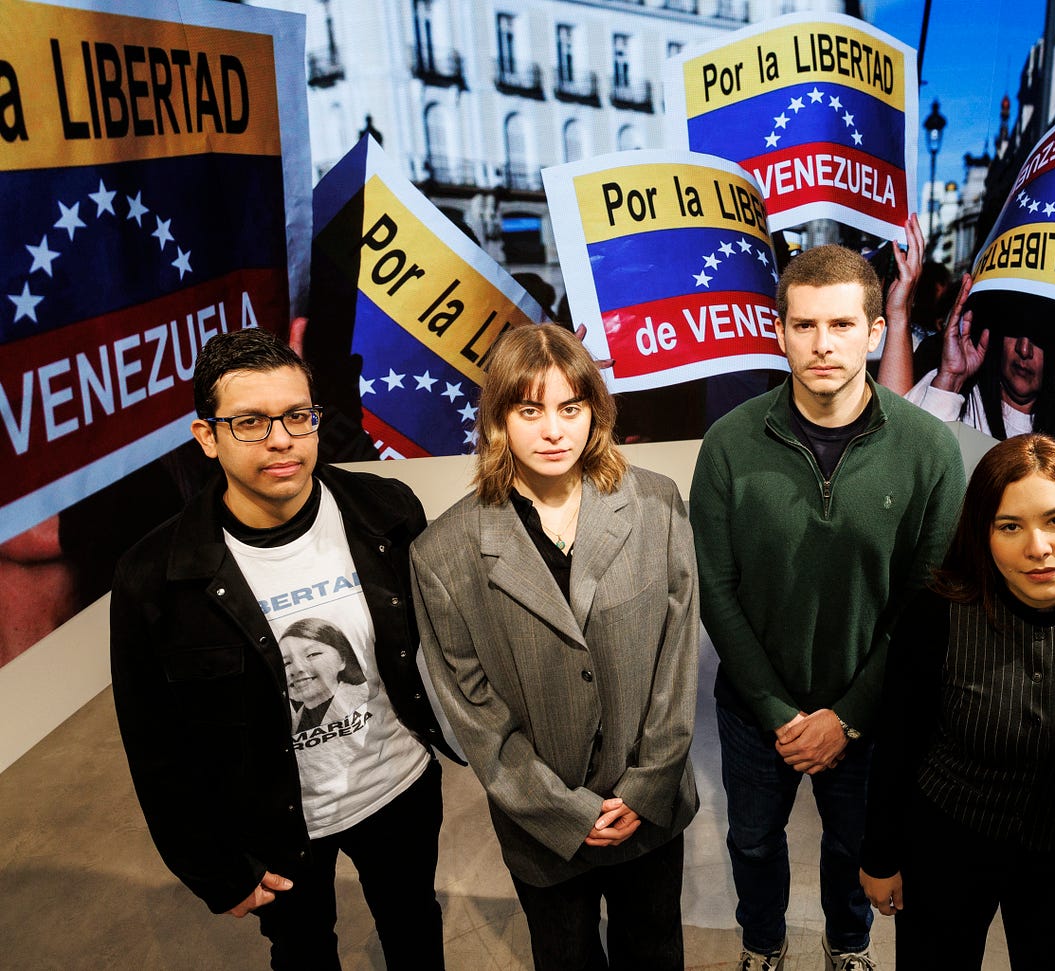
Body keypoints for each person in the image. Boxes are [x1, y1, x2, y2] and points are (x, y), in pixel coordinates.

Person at [111, 327, 458, 970]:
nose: (281, 439)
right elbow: (156, 743)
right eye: (250, 421)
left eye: (297, 415)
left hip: (399, 787)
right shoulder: (154, 576)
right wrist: (212, 868)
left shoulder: (386, 512)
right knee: (302, 952)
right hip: (272, 823)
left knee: (413, 925)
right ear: (207, 437)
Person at [691, 244, 966, 971]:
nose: (822, 344)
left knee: (854, 845)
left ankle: (848, 947)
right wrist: (779, 710)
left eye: (842, 324)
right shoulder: (727, 445)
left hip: (871, 710)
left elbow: (926, 598)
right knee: (751, 838)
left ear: (876, 332)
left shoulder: (931, 449)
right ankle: (763, 943)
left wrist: (847, 714)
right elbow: (715, 589)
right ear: (779, 330)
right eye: (805, 324)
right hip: (756, 708)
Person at [410, 323, 699, 971]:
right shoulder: (443, 553)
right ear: (497, 419)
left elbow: (676, 659)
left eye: (571, 407)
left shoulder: (655, 502)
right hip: (542, 825)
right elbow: (474, 714)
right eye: (530, 409)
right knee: (564, 956)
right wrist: (561, 809)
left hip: (648, 805)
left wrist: (649, 781)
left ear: (595, 411)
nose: (553, 430)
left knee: (653, 948)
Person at [858, 433, 1055, 968]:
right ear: (983, 534)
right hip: (946, 849)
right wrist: (880, 856)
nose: (1038, 549)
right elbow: (897, 744)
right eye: (1010, 526)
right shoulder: (936, 618)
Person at [279, 618, 371, 733]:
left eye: (312, 654)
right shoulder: (289, 722)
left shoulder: (368, 700)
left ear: (342, 659)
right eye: (286, 663)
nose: (297, 669)